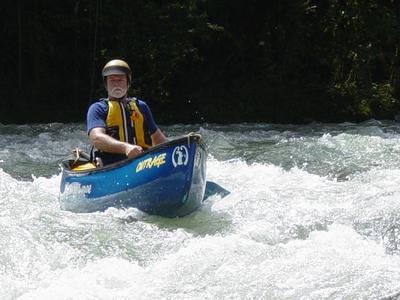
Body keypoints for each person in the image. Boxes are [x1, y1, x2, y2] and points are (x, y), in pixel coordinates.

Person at [86, 59, 166, 166]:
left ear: (128, 83)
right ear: (106, 84)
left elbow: (158, 139)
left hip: (143, 163)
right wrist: (126, 147)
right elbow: (97, 138)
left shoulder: (141, 107)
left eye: (121, 80)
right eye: (112, 80)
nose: (116, 84)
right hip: (111, 165)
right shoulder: (98, 108)